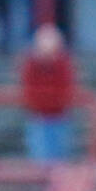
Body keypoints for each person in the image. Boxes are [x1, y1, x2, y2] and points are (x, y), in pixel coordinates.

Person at [20, 23, 76, 162]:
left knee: (59, 158)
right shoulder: (31, 64)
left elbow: (66, 88)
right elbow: (29, 90)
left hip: (59, 116)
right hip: (38, 116)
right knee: (39, 157)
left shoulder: (62, 64)